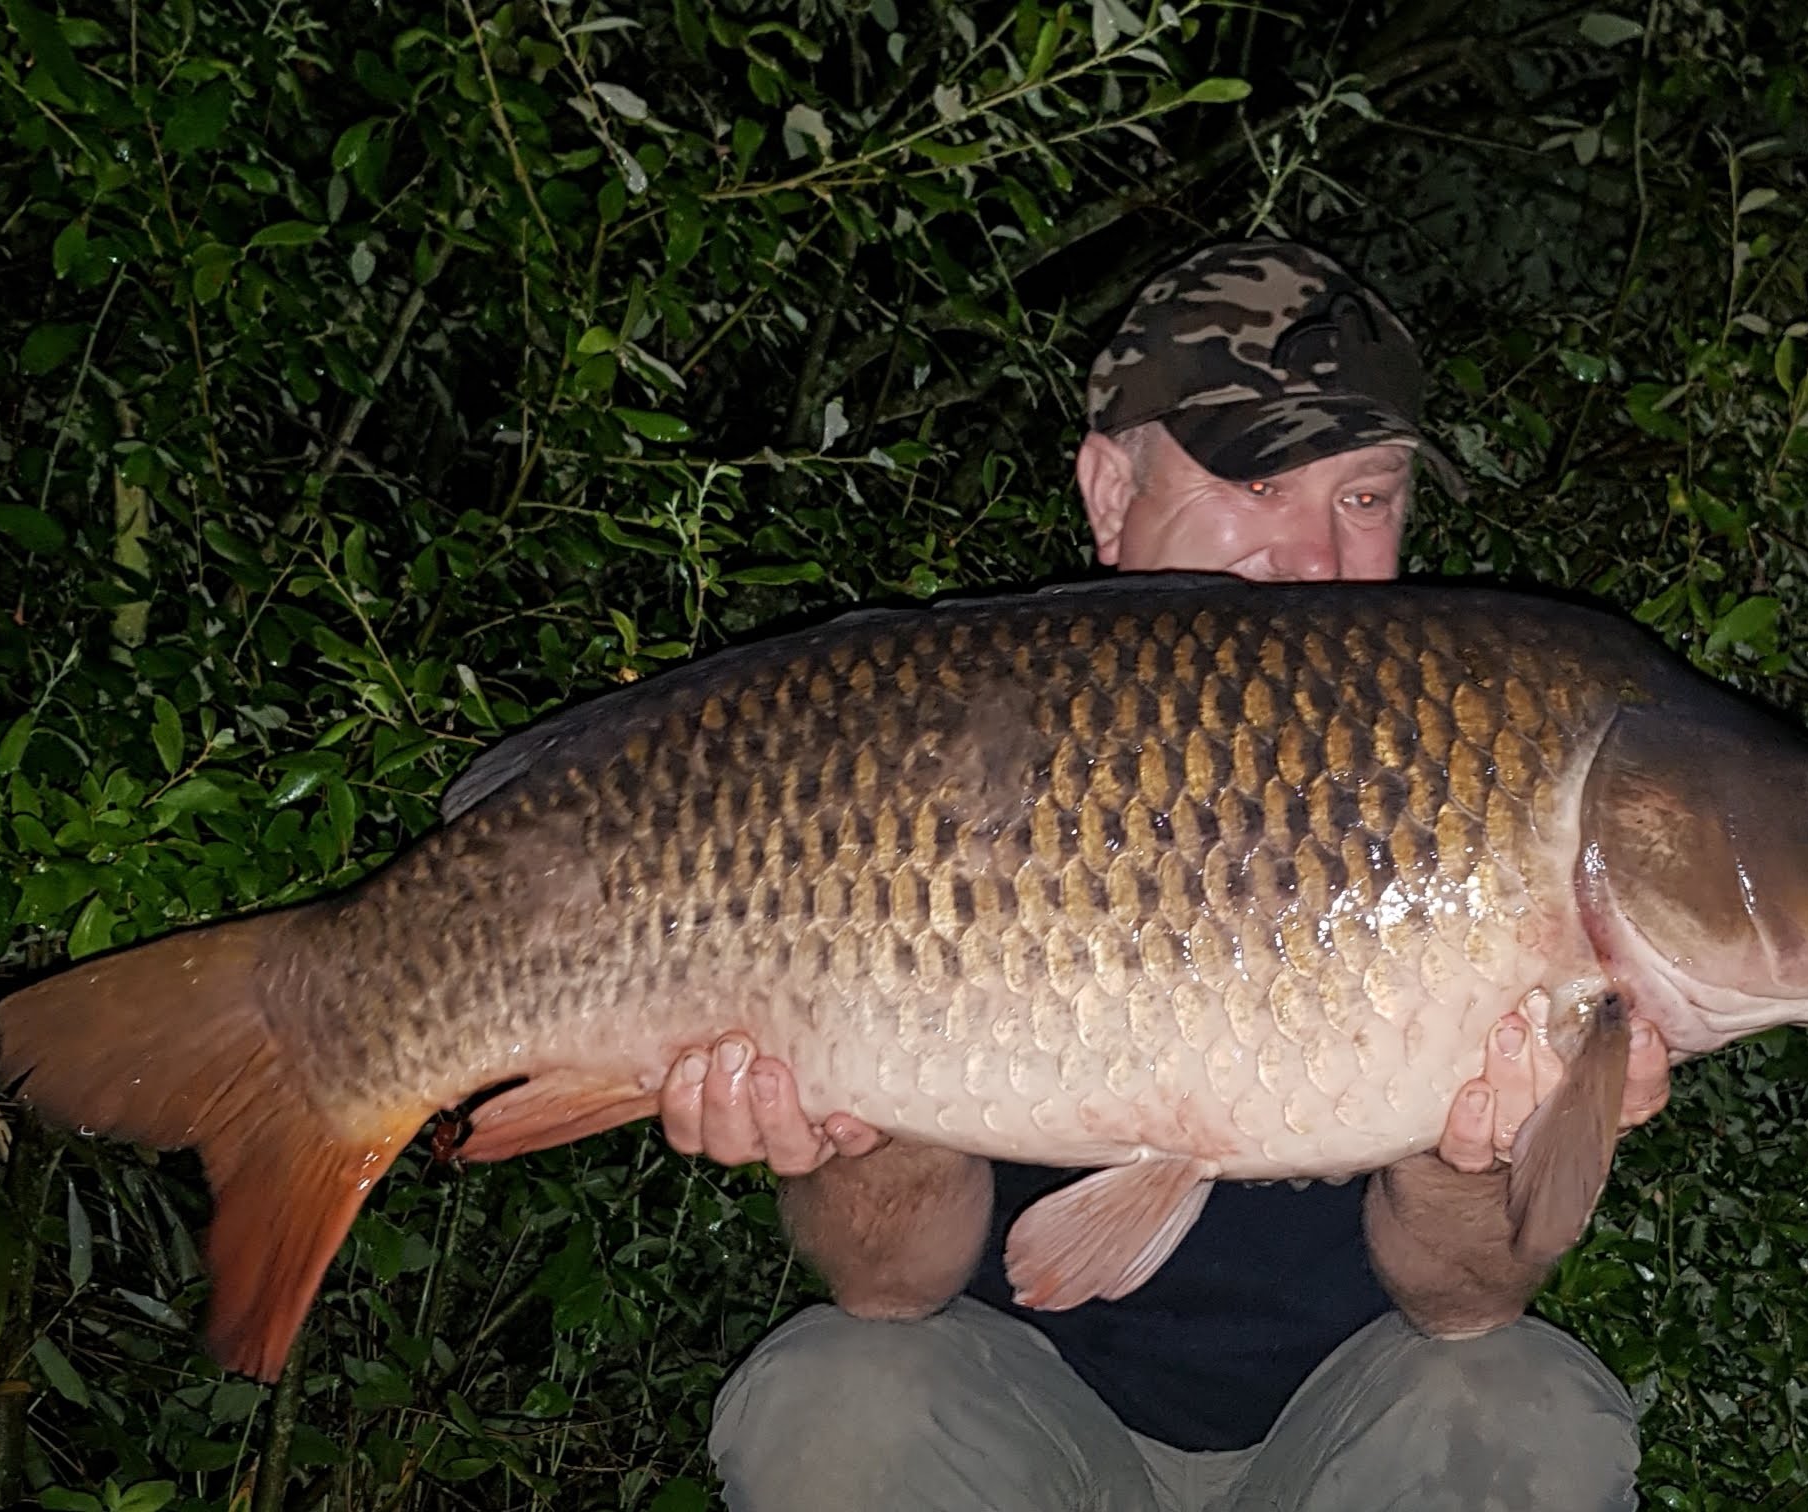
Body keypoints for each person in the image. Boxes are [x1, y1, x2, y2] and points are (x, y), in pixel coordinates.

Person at [660, 241, 1674, 1510]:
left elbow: (1464, 1302)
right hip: (1027, 1414)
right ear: (1107, 489)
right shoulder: (942, 746)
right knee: (840, 1402)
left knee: (1525, 1412)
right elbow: (890, 1280)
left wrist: (1475, 1152)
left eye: (1364, 498)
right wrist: (839, 1124)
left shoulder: (1471, 772)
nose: (1316, 560)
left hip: (1342, 1430)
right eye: (1257, 481)